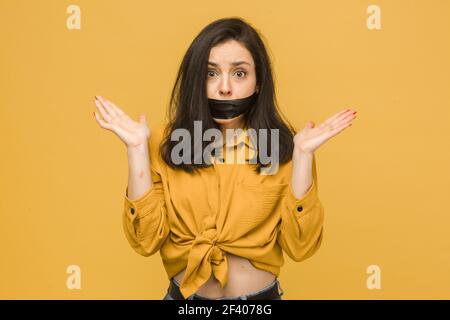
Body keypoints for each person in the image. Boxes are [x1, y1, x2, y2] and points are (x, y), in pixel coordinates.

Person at [93, 17, 357, 300]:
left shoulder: (284, 146)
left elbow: (301, 247)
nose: (225, 88)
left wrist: (303, 157)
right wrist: (136, 150)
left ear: (258, 82)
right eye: (211, 73)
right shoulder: (164, 143)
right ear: (195, 79)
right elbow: (145, 241)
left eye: (240, 74)